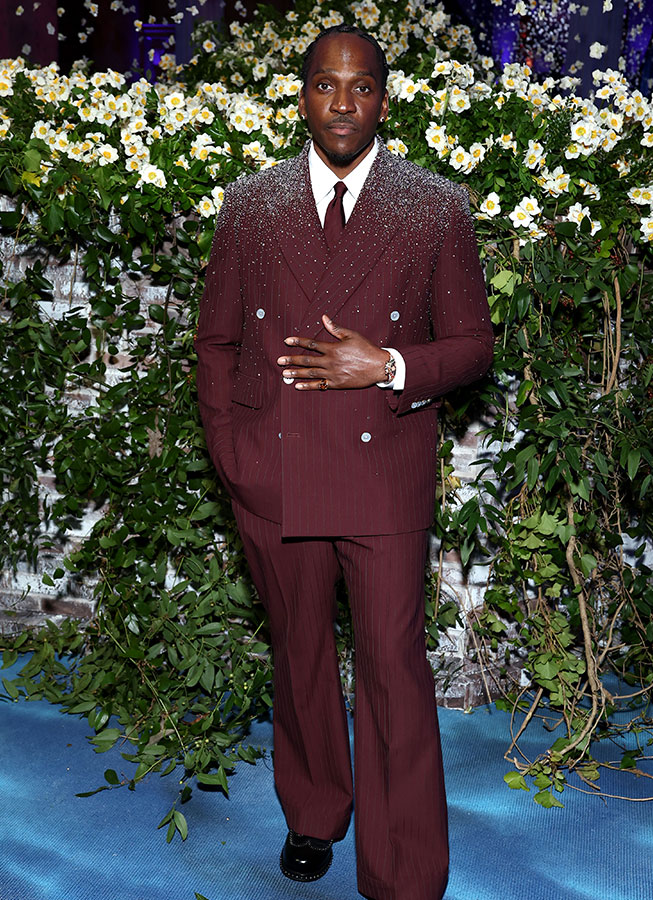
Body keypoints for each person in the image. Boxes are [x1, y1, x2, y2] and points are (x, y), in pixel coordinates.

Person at [195, 23, 493, 900]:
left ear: (383, 101)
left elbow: (474, 344)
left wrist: (391, 366)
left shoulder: (433, 204)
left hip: (383, 465)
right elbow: (215, 341)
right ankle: (315, 813)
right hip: (272, 470)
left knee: (394, 666)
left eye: (361, 87)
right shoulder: (251, 204)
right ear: (302, 96)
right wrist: (231, 448)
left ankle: (403, 875)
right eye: (326, 85)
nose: (343, 103)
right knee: (297, 652)